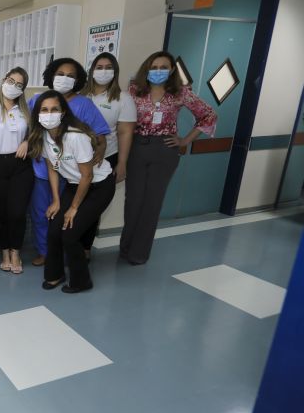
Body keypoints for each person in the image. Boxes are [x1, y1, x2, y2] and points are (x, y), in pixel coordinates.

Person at [120, 51, 217, 265]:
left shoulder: (181, 93)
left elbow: (208, 114)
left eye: (163, 67)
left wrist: (184, 141)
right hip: (136, 147)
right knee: (133, 201)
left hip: (164, 150)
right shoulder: (134, 90)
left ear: (172, 70)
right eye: (154, 67)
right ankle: (125, 248)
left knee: (152, 203)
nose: (158, 71)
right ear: (147, 68)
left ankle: (139, 253)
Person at [27, 91, 115, 293]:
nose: (49, 114)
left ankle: (82, 280)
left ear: (63, 112)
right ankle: (55, 274)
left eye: (54, 109)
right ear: (38, 114)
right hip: (74, 185)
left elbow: (87, 176)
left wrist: (74, 208)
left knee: (70, 234)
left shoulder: (76, 137)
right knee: (54, 228)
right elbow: (52, 168)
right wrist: (57, 201)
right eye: (44, 110)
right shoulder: (43, 136)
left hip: (98, 186)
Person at [79, 52, 136, 252]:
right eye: (99, 67)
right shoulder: (81, 95)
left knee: (92, 207)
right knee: (76, 201)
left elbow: (125, 132)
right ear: (91, 70)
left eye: (108, 67)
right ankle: (71, 244)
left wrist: (122, 163)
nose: (103, 72)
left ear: (115, 72)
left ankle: (85, 248)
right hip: (77, 158)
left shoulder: (123, 99)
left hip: (105, 158)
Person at [0, 67, 33, 274]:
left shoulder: (25, 111)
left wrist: (27, 142)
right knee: (1, 213)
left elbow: (37, 134)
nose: (13, 86)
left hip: (20, 166)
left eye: (19, 84)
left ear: (23, 89)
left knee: (17, 212)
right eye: (10, 80)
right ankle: (4, 251)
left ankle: (16, 251)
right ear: (3, 80)